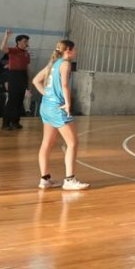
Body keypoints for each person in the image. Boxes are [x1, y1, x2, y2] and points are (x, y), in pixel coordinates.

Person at [32, 40, 89, 190]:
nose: (76, 52)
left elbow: (35, 81)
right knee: (72, 143)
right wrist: (68, 103)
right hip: (58, 108)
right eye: (74, 49)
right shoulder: (65, 63)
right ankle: (70, 180)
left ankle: (44, 179)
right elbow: (64, 85)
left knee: (47, 143)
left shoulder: (52, 63)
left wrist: (48, 95)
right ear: (68, 50)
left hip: (46, 106)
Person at [0, 29, 31, 131]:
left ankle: (15, 122)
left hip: (23, 76)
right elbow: (2, 48)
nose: (26, 43)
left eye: (27, 41)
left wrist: (28, 83)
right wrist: (6, 36)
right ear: (18, 42)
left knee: (19, 100)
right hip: (14, 76)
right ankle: (5, 124)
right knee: (12, 101)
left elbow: (27, 68)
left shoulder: (26, 53)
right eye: (25, 41)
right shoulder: (14, 50)